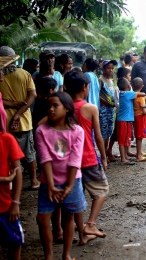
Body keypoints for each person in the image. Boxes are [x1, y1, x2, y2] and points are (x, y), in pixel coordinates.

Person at [35, 92, 86, 260]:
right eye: (48, 106)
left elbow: (75, 159)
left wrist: (70, 186)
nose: (51, 109)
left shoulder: (77, 130)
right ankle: (48, 255)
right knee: (42, 219)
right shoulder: (42, 130)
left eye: (55, 105)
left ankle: (66, 254)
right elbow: (45, 158)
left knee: (68, 217)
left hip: (72, 180)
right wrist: (50, 185)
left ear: (67, 108)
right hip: (48, 182)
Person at [64, 70, 109, 245]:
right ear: (85, 88)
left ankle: (82, 234)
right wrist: (103, 157)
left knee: (77, 199)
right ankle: (90, 224)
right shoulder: (89, 108)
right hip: (87, 158)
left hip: (68, 161)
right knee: (101, 191)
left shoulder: (62, 107)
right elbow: (98, 136)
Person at [0, 46, 39, 189]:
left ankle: (9, 183)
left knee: (7, 155)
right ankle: (34, 180)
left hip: (4, 123)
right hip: (24, 121)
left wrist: (12, 105)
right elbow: (32, 95)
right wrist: (19, 113)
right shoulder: (24, 74)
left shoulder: (0, 76)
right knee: (29, 153)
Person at [0, 129, 24, 260]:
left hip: (5, 204)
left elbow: (17, 171)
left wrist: (15, 202)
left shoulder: (6, 139)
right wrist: (4, 179)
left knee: (15, 242)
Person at [117, 78, 145, 164]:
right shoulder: (128, 94)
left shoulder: (122, 93)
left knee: (125, 139)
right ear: (129, 86)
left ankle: (125, 156)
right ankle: (123, 158)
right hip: (124, 121)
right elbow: (143, 94)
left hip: (124, 120)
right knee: (122, 140)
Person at [107, 66, 131, 163]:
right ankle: (112, 151)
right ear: (125, 76)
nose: (130, 76)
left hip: (126, 116)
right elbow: (117, 103)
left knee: (124, 134)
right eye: (129, 75)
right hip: (121, 115)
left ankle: (125, 153)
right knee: (118, 134)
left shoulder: (126, 87)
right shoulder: (118, 89)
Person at [99, 60, 117, 153]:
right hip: (103, 109)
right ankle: (103, 155)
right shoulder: (100, 80)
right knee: (103, 132)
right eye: (108, 68)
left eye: (112, 68)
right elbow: (97, 94)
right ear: (103, 69)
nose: (111, 70)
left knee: (109, 131)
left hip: (110, 109)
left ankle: (106, 152)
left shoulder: (111, 80)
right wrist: (106, 102)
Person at [132, 77, 146, 162]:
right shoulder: (141, 97)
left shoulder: (133, 94)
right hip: (140, 117)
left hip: (135, 116)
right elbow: (143, 110)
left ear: (132, 86)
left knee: (137, 136)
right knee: (139, 137)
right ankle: (139, 156)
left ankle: (139, 152)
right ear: (142, 86)